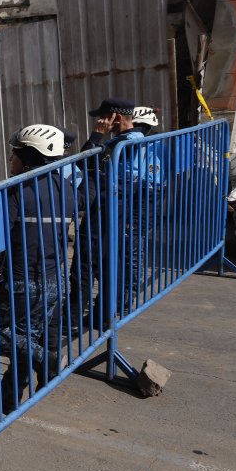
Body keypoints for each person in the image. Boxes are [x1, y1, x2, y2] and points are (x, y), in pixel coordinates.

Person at [0, 124, 73, 412]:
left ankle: (46, 358)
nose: (11, 159)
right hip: (54, 279)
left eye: (15, 153)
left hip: (22, 280)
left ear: (29, 157)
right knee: (25, 337)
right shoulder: (66, 187)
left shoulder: (16, 191)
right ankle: (8, 398)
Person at [71, 97, 146, 326]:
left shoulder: (122, 144)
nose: (100, 122)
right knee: (108, 263)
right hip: (116, 210)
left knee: (85, 263)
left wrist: (96, 136)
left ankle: (73, 317)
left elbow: (84, 162)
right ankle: (103, 313)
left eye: (104, 118)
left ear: (117, 117)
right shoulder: (136, 139)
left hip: (105, 210)